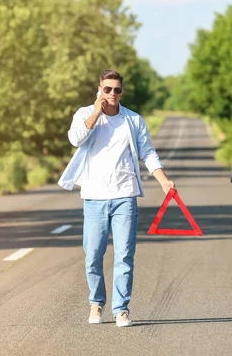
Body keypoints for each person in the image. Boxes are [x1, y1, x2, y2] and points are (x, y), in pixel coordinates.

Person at [58, 69, 175, 327]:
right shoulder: (84, 114)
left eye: (117, 90)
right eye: (107, 89)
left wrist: (163, 180)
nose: (112, 94)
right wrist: (96, 112)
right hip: (94, 197)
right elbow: (75, 139)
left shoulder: (132, 120)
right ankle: (96, 302)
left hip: (125, 196)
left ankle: (121, 309)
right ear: (99, 89)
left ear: (122, 92)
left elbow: (148, 153)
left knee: (124, 255)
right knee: (93, 255)